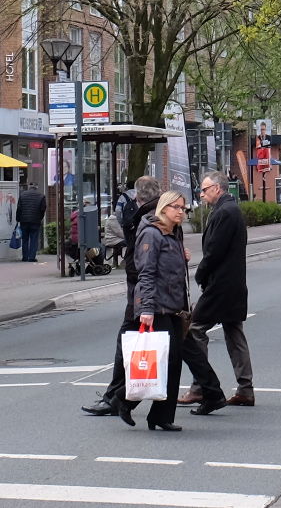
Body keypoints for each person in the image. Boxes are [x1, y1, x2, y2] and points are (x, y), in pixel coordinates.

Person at [82, 177, 162, 417]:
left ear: (138, 198)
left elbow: (145, 263)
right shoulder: (160, 214)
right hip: (154, 293)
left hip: (143, 293)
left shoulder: (147, 220)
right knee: (181, 344)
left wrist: (144, 302)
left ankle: (114, 399)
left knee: (127, 340)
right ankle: (209, 389)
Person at [115, 190, 191, 431]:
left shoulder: (172, 234)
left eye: (183, 208)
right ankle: (124, 399)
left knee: (173, 361)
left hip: (172, 306)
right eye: (176, 207)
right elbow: (145, 274)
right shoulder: (151, 234)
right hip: (156, 306)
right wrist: (146, 309)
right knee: (160, 361)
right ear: (163, 209)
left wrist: (183, 257)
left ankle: (161, 416)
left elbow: (171, 269)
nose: (181, 211)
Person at [178, 170, 254, 409]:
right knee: (234, 333)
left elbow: (214, 251)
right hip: (232, 285)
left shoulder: (224, 212)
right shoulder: (228, 210)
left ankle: (201, 387)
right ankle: (245, 389)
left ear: (217, 189)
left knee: (195, 330)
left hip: (220, 285)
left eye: (204, 189)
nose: (201, 194)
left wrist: (200, 273)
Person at [15, 182, 46, 263]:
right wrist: (40, 218)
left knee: (25, 239)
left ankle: (25, 257)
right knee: (34, 239)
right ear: (36, 187)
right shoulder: (41, 196)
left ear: (29, 187)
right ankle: (32, 257)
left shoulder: (22, 195)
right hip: (35, 221)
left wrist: (18, 219)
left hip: (24, 221)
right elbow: (43, 209)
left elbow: (19, 209)